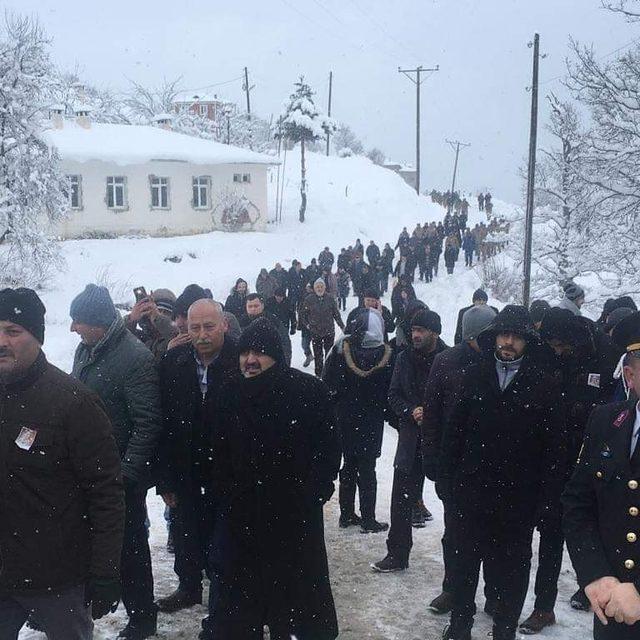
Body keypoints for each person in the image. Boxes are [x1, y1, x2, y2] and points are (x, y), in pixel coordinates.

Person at [0, 288, 124, 640]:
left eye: (12, 331)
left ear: (36, 337)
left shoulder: (74, 403)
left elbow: (105, 493)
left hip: (58, 576)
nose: (1, 341)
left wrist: (104, 571)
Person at [208, 318, 340, 639]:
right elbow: (211, 453)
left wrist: (313, 493)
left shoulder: (309, 392)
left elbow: (329, 452)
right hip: (241, 522)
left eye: (260, 353)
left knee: (294, 613)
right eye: (245, 352)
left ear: (277, 356)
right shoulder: (225, 393)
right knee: (237, 617)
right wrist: (224, 494)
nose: (250, 360)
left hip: (293, 522)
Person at [440, 305, 566, 640]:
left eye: (516, 336)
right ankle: (460, 625)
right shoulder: (473, 376)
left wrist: (546, 498)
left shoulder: (544, 385)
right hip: (472, 492)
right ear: (494, 336)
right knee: (464, 564)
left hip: (518, 499)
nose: (508, 341)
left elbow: (553, 449)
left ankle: (504, 628)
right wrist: (447, 479)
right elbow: (454, 431)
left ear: (527, 341)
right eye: (503, 334)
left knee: (512, 569)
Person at [518, 307, 618, 633]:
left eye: (561, 345)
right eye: (553, 346)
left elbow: (614, 408)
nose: (557, 351)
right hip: (556, 459)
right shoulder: (547, 353)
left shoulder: (604, 354)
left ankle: (604, 596)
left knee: (600, 535)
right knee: (551, 533)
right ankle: (543, 606)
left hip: (595, 461)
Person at [70, 284, 162, 640]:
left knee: (130, 549)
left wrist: (126, 474)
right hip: (88, 472)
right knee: (94, 544)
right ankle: (99, 602)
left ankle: (142, 617)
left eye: (78, 321)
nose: (73, 328)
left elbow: (147, 422)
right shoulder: (87, 349)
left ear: (97, 321)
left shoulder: (134, 358)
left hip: (121, 477)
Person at [156, 300, 240, 635]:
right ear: (184, 329)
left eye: (208, 327)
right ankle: (189, 586)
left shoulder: (240, 360)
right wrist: (165, 479)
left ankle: (225, 600)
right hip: (185, 466)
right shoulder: (174, 362)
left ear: (224, 325)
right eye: (194, 328)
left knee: (226, 542)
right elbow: (163, 422)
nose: (202, 335)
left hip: (228, 469)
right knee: (186, 532)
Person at [562, 309, 640, 640]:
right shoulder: (606, 422)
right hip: (611, 609)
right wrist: (596, 575)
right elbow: (578, 503)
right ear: (629, 375)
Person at [421, 304, 497, 615]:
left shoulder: (500, 363)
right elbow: (433, 415)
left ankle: (495, 595)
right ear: (470, 337)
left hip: (493, 465)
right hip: (455, 464)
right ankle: (452, 589)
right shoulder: (446, 362)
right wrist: (433, 463)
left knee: (494, 535)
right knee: (455, 535)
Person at [372, 309, 447, 573]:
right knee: (401, 498)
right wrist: (409, 411)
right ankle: (397, 553)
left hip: (441, 441)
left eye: (422, 331)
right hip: (410, 439)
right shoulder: (403, 358)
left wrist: (432, 412)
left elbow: (458, 400)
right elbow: (392, 395)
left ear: (434, 333)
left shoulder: (448, 359)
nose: (415, 335)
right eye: (413, 330)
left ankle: (457, 568)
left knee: (452, 502)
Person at [323, 309, 393, 533]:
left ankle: (346, 514)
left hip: (345, 415)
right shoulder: (386, 354)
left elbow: (328, 382)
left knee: (349, 465)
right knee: (367, 468)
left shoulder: (341, 349)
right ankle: (368, 518)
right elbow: (389, 389)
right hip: (371, 417)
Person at [299, 279, 345, 377]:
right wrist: (307, 325)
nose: (319, 289)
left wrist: (342, 326)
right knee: (318, 354)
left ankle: (328, 374)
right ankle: (318, 374)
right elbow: (303, 314)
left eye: (321, 286)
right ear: (314, 288)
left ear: (324, 287)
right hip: (315, 331)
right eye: (317, 287)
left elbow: (336, 314)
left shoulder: (330, 298)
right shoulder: (309, 299)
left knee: (329, 354)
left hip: (329, 331)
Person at [125, 288, 178, 363]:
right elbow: (115, 341)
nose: (161, 315)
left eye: (166, 313)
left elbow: (176, 333)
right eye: (158, 310)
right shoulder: (138, 338)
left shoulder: (177, 339)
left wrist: (158, 318)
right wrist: (130, 320)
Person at [239, 293, 292, 365]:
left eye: (256, 306)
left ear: (262, 306)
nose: (253, 309)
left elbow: (285, 344)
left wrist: (285, 364)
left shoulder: (273, 321)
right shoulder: (240, 322)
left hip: (270, 363)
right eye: (250, 306)